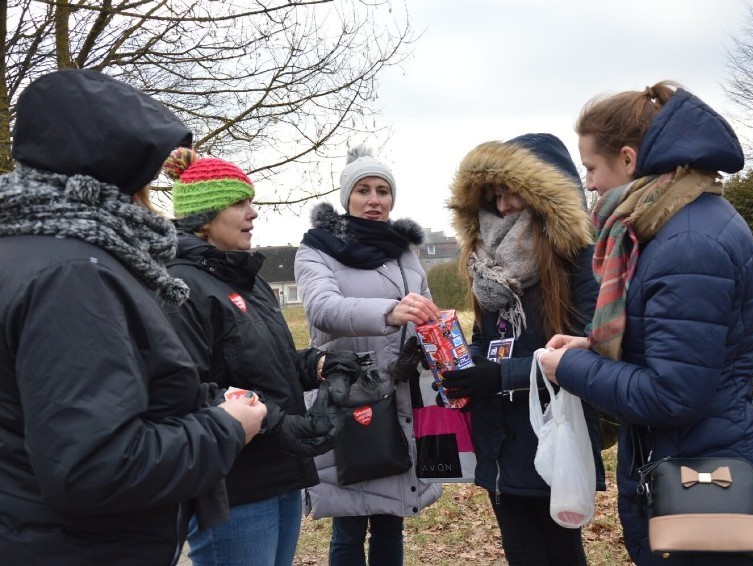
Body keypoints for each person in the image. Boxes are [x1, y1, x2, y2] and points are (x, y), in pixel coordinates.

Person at [0, 69, 268, 565]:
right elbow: (94, 466)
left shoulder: (27, 251)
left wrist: (198, 402)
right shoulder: (74, 274)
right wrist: (226, 426)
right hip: (76, 548)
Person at [539, 82, 753, 565]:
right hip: (696, 460)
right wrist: (590, 346)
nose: (590, 184)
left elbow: (675, 392)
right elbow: (673, 343)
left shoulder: (685, 242)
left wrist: (571, 370)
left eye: (591, 168)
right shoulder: (670, 223)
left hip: (707, 482)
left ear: (627, 159)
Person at [158, 147, 358, 566]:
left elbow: (267, 361)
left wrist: (318, 364)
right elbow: (184, 388)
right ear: (204, 217)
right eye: (239, 203)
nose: (253, 213)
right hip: (233, 483)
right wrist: (274, 422)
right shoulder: (180, 286)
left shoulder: (249, 281)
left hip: (281, 472)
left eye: (251, 202)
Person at [442, 133, 605, 565]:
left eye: (513, 193)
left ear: (545, 195)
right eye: (495, 195)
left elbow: (589, 346)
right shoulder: (485, 265)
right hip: (499, 433)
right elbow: (485, 341)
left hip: (555, 428)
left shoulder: (577, 259)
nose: (504, 206)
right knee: (522, 552)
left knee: (561, 551)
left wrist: (500, 376)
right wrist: (462, 364)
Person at [294, 146, 443, 566]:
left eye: (382, 191)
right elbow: (322, 309)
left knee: (393, 515)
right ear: (347, 197)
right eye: (363, 190)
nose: (374, 200)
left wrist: (443, 342)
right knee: (350, 519)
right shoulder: (317, 249)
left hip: (402, 399)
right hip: (350, 402)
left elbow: (427, 313)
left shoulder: (404, 252)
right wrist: (389, 312)